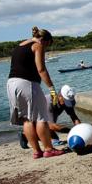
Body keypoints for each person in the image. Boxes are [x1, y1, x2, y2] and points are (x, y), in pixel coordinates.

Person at [7, 26, 64, 159]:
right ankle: (49, 149)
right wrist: (51, 88)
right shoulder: (38, 45)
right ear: (44, 40)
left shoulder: (20, 45)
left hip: (11, 83)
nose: (46, 48)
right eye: (48, 45)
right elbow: (41, 69)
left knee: (27, 119)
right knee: (41, 117)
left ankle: (37, 151)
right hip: (27, 83)